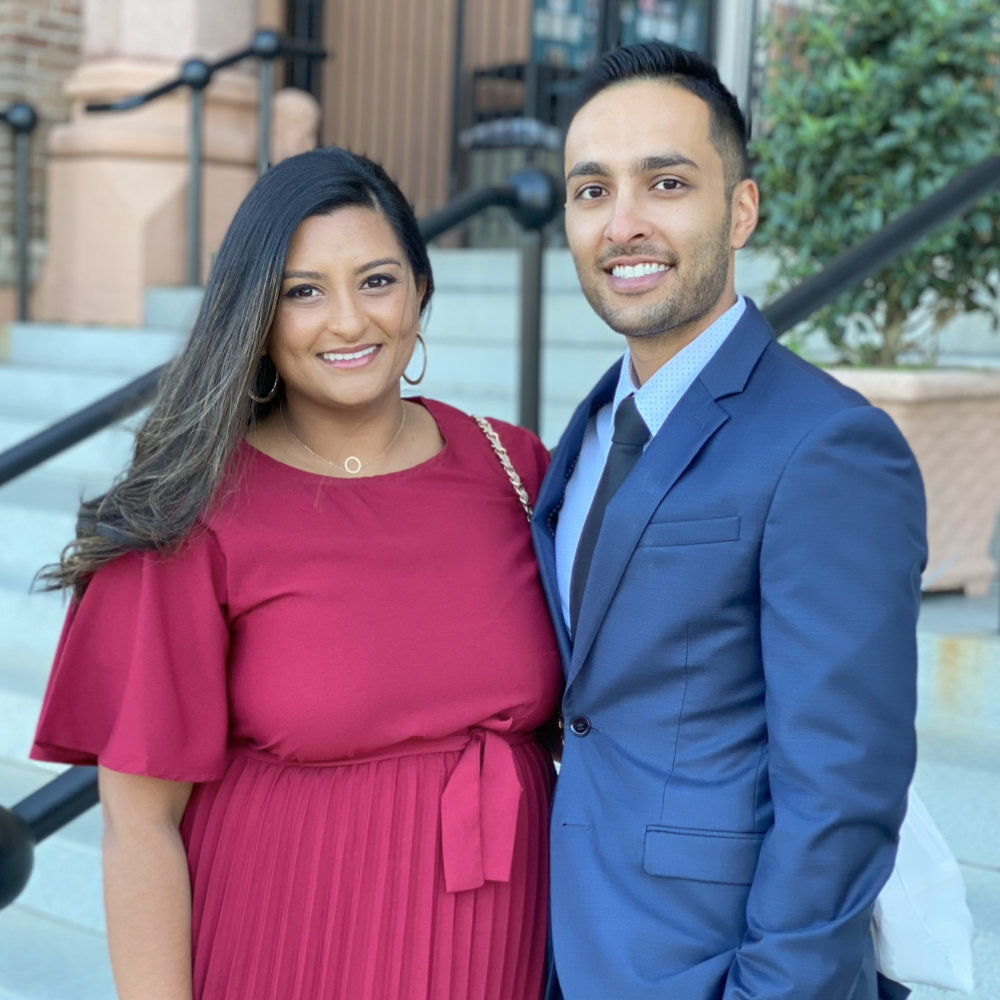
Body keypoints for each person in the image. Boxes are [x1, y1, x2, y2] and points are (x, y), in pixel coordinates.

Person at [31, 146, 563, 1000]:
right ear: (258, 316)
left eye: (377, 281)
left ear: (421, 291)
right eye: (303, 292)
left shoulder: (515, 466)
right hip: (286, 949)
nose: (348, 321)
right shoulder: (193, 514)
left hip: (498, 950)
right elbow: (140, 828)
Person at [531, 42, 927, 1000]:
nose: (623, 223)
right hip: (571, 947)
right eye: (592, 191)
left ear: (740, 210)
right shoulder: (588, 431)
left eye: (666, 183)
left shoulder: (829, 446)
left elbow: (842, 789)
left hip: (719, 968)